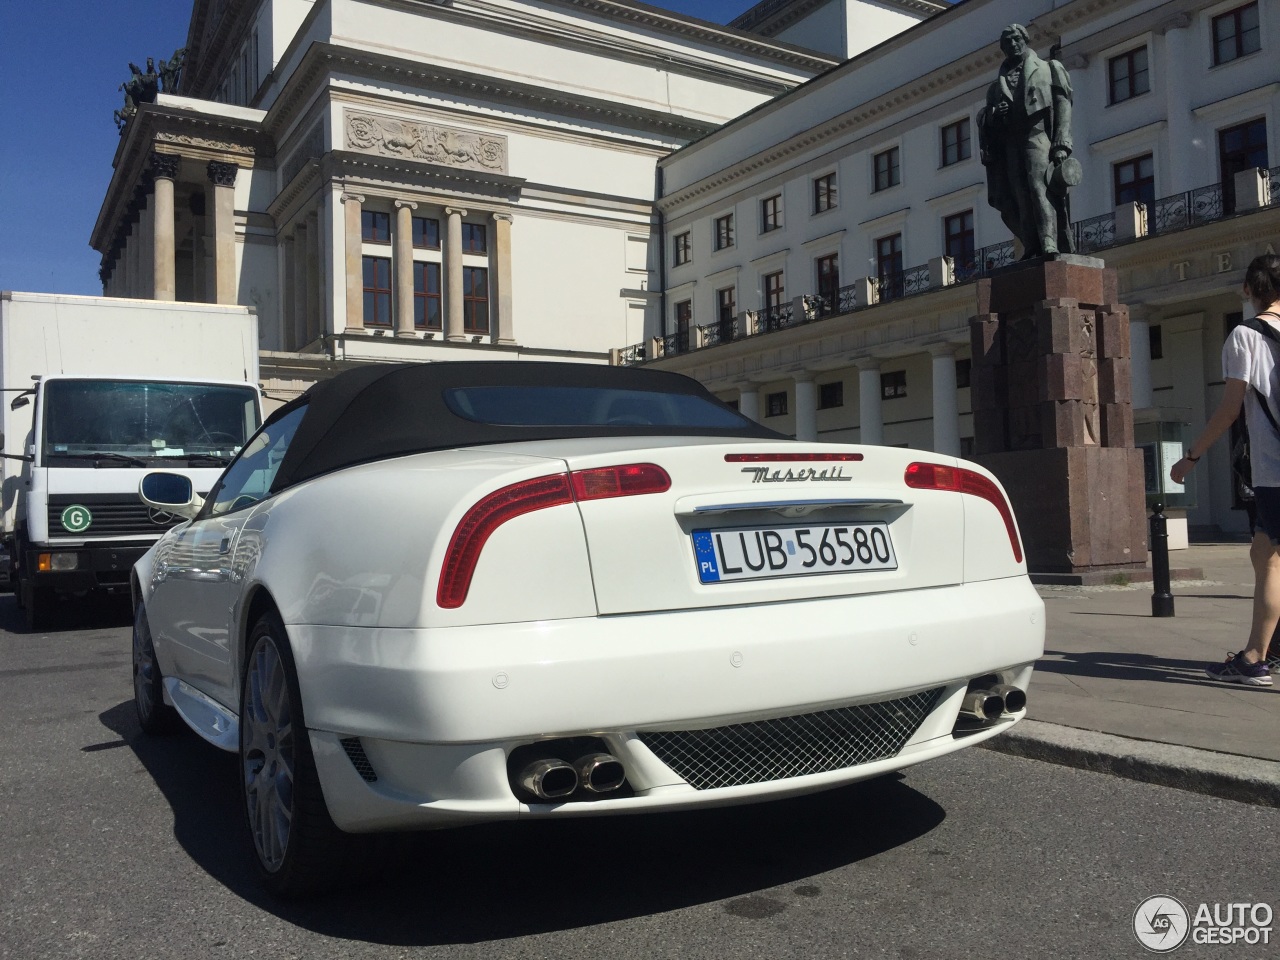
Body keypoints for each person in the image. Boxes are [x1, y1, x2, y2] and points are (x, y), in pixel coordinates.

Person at [1171, 254, 1280, 685]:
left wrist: (1191, 455)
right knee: (1261, 551)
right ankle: (1268, 645)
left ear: (1250, 290)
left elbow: (1230, 410)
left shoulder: (1245, 336)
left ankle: (1255, 659)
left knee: (1272, 561)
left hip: (1274, 469)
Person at [978, 24, 1075, 258]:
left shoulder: (1049, 68)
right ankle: (1031, 245)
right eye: (1007, 43)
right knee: (1018, 195)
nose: (1012, 45)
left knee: (1039, 188)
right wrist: (993, 115)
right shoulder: (995, 88)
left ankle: (1049, 241)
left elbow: (1063, 103)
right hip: (1011, 144)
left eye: (1015, 39)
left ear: (1025, 40)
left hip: (1037, 135)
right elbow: (984, 119)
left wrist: (1061, 142)